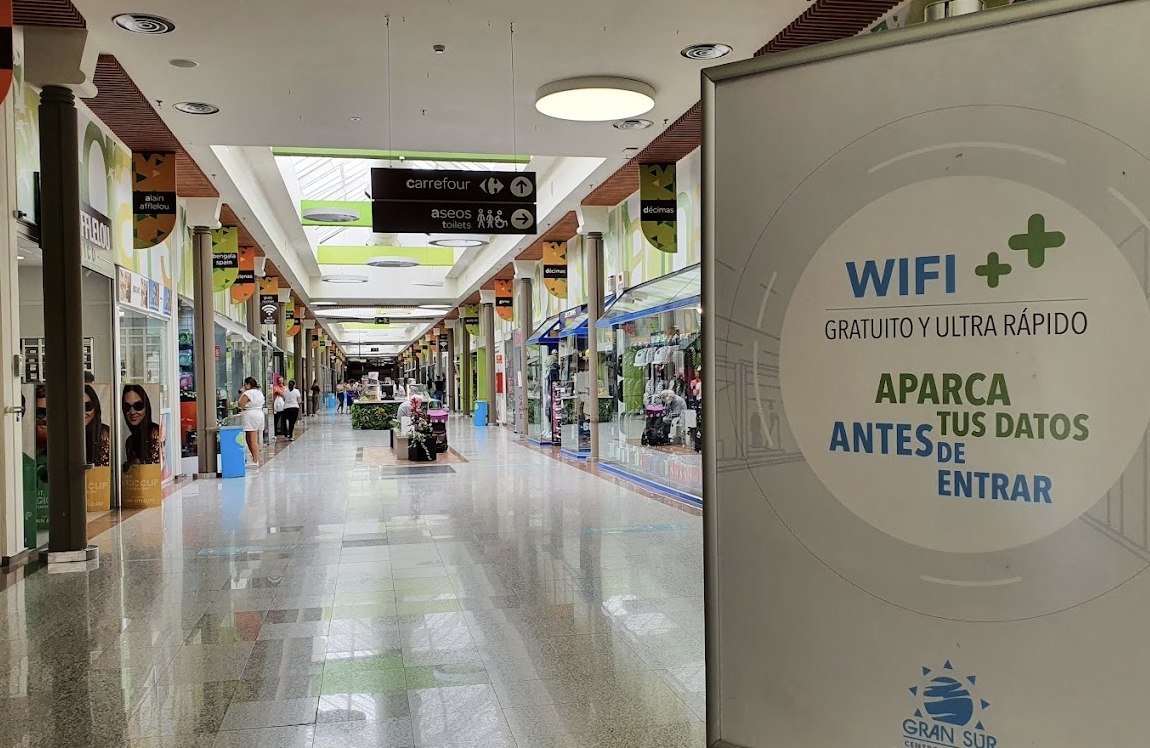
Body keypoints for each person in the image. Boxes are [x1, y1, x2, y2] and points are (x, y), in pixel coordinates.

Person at [122, 384, 161, 467]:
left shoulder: (155, 433)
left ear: (146, 407)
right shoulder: (130, 441)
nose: (132, 412)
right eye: (127, 407)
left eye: (138, 406)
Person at [237, 377, 266, 466]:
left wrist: (242, 393)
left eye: (245, 384)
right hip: (259, 414)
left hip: (250, 415)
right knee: (251, 437)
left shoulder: (247, 393)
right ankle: (254, 458)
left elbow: (240, 404)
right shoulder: (259, 393)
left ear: (248, 385)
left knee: (252, 438)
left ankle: (255, 460)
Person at [84, 384, 111, 467]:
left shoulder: (104, 433)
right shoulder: (65, 433)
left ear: (95, 408)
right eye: (76, 406)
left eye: (87, 406)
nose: (81, 411)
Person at [271, 374, 286, 439]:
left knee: (284, 419)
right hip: (277, 406)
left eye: (281, 380)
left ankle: (285, 432)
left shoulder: (285, 387)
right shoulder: (275, 388)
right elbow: (279, 393)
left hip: (285, 406)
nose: (280, 382)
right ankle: (275, 432)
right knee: (276, 420)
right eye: (279, 380)